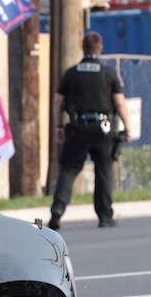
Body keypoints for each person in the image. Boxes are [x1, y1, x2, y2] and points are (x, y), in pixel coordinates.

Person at [48, 31, 131, 231]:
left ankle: (58, 210)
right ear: (100, 48)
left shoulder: (72, 73)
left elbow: (58, 101)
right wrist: (127, 127)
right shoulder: (109, 74)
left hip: (77, 128)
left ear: (82, 48)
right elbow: (119, 103)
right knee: (103, 171)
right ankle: (104, 215)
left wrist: (59, 126)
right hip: (103, 130)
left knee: (68, 170)